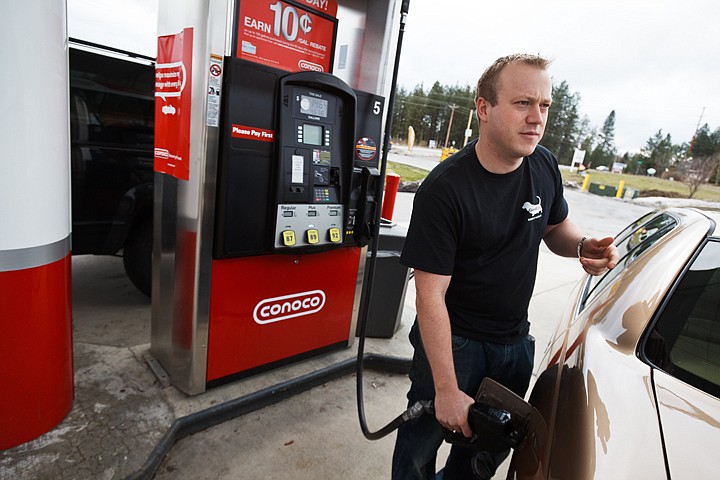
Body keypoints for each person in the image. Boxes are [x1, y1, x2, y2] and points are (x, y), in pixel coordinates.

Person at [391, 54, 619, 479]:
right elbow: (430, 295)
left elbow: (555, 226)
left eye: (545, 105)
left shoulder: (543, 164)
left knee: (484, 454)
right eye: (522, 103)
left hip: (514, 342)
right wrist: (445, 388)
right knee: (421, 444)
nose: (537, 118)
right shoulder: (445, 190)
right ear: (484, 107)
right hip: (453, 342)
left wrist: (583, 245)